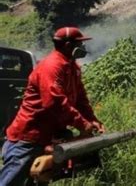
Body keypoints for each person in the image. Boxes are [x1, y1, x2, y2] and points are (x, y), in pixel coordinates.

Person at [0, 27, 105, 186]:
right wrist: (82, 124)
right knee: (10, 181)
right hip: (30, 137)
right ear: (69, 45)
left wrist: (92, 119)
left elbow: (80, 99)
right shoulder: (51, 66)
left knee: (41, 177)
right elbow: (54, 102)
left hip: (50, 135)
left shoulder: (72, 67)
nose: (83, 48)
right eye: (80, 44)